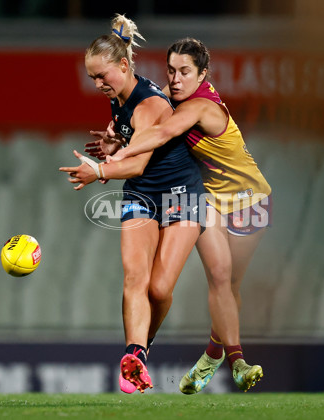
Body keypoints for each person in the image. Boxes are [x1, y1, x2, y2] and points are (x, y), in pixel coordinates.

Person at [105, 38, 272, 393]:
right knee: (220, 277)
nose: (176, 79)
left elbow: (163, 130)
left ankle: (212, 354)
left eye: (185, 72)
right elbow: (145, 109)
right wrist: (118, 137)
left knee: (232, 287)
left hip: (250, 201)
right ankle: (237, 362)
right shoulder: (174, 93)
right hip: (207, 198)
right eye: (171, 70)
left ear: (203, 75)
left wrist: (115, 159)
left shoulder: (200, 107)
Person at [59, 17, 206, 394]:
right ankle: (134, 357)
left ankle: (144, 346)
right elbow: (138, 150)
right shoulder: (120, 98)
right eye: (93, 78)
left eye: (102, 76)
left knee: (158, 289)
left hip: (182, 195)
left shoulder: (149, 105)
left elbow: (138, 162)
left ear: (123, 66)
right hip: (143, 193)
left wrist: (100, 170)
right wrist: (114, 145)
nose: (98, 85)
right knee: (133, 277)